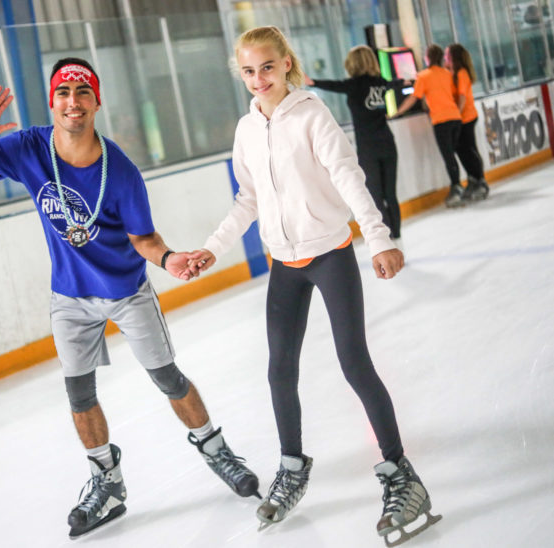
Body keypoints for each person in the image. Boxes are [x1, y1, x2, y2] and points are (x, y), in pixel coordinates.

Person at [0, 57, 259, 539]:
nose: (73, 102)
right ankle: (107, 481)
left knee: (169, 378)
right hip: (69, 297)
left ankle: (217, 452)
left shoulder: (122, 170)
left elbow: (144, 238)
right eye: (64, 93)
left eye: (82, 93)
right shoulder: (29, 148)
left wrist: (168, 257)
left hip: (126, 292)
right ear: (53, 102)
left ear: (96, 102)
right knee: (79, 394)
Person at [188, 27, 441, 545]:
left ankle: (402, 475)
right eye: (248, 70)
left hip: (330, 254)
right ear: (241, 75)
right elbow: (247, 200)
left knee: (354, 363)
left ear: (286, 64)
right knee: (280, 370)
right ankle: (292, 466)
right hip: (284, 264)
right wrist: (214, 246)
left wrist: (379, 237)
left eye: (266, 67)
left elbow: (349, 176)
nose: (258, 78)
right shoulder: (245, 130)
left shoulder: (310, 114)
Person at [307, 45, 403, 241]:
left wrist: (314, 82)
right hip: (387, 142)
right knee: (390, 195)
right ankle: (398, 237)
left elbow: (336, 85)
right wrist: (403, 80)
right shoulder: (380, 82)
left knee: (376, 195)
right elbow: (394, 84)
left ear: (353, 64)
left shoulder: (355, 85)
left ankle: (388, 239)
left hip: (369, 147)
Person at [394, 44, 466, 208]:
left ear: (427, 58)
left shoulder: (423, 76)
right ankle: (460, 184)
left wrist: (397, 112)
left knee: (448, 156)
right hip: (455, 118)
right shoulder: (447, 74)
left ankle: (457, 187)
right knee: (453, 155)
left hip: (441, 121)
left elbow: (414, 97)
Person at [445, 43, 490, 201]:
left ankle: (480, 179)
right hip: (459, 119)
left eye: (447, 55)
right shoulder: (450, 73)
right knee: (460, 150)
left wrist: (456, 113)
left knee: (469, 149)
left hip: (467, 117)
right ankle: (472, 177)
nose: (445, 57)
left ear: (453, 57)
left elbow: (463, 97)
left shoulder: (462, 73)